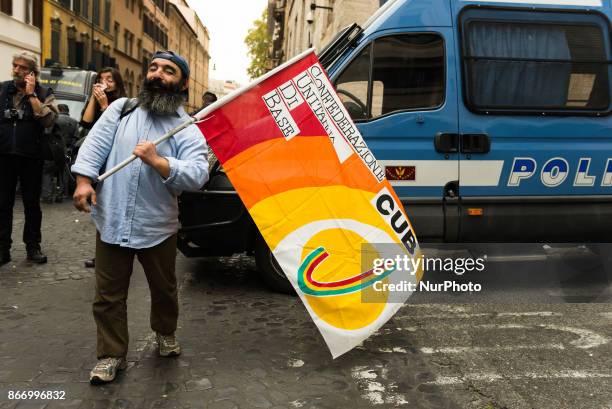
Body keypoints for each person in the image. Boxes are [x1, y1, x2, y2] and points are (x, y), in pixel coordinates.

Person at [71, 50, 209, 384]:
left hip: (157, 227)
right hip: (112, 219)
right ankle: (110, 354)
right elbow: (94, 147)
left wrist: (159, 161)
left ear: (183, 83)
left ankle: (165, 332)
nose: (157, 74)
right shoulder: (121, 109)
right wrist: (84, 180)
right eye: (154, 68)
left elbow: (198, 173)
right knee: (108, 296)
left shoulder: (186, 128)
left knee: (164, 290)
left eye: (168, 71)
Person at [0, 52, 58, 266]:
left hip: (32, 157)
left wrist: (32, 95)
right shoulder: (2, 88)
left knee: (32, 205)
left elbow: (49, 120)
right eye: (15, 65)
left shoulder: (44, 92)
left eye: (22, 67)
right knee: (2, 204)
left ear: (32, 73)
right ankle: (2, 249)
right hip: (4, 155)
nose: (16, 70)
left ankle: (33, 247)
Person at [81, 68, 126, 268]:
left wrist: (105, 105)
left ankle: (117, 249)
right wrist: (93, 99)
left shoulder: (123, 104)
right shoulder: (96, 100)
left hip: (115, 162)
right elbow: (86, 122)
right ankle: (103, 252)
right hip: (98, 162)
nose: (104, 82)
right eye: (101, 78)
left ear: (117, 83)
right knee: (98, 207)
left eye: (109, 79)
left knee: (113, 205)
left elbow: (118, 132)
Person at [41, 104, 78, 203]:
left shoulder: (53, 119)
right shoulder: (74, 122)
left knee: (47, 173)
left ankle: (47, 196)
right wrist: (69, 149)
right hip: (65, 151)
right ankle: (60, 195)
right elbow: (76, 138)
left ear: (60, 109)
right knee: (63, 174)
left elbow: (46, 133)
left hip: (51, 151)